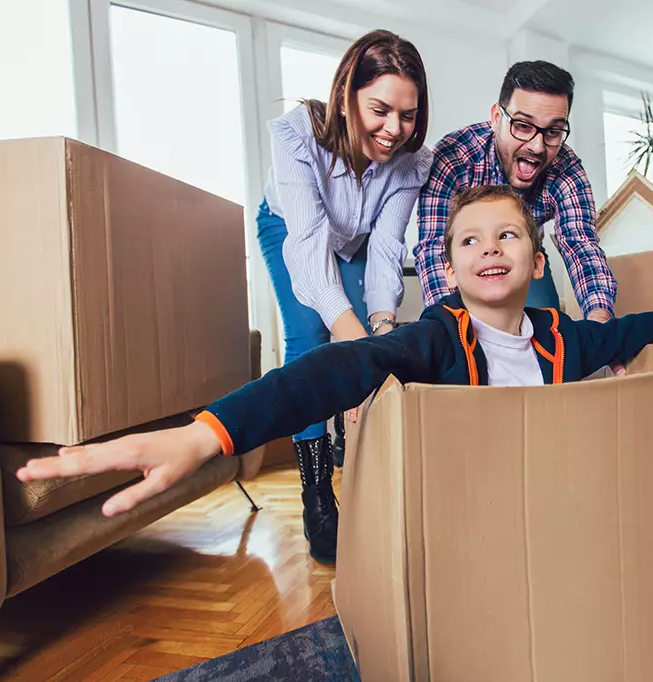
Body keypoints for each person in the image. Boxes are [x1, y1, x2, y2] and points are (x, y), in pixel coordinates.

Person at [16, 185, 653, 530]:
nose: (490, 249)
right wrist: (208, 433)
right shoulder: (433, 339)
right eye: (469, 240)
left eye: (508, 234)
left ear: (537, 264)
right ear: (449, 269)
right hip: (467, 509)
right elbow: (336, 370)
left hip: (558, 498)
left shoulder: (565, 339)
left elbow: (646, 324)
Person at [253, 29, 433, 563]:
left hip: (356, 241)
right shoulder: (296, 137)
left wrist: (380, 327)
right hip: (290, 227)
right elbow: (309, 252)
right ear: (348, 93)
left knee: (368, 338)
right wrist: (350, 334)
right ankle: (315, 491)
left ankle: (354, 459)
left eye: (408, 115)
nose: (394, 129)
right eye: (380, 109)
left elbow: (385, 250)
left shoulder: (411, 162)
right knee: (312, 335)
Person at [414, 60, 616, 323]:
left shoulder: (566, 169)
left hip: (524, 247)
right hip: (466, 254)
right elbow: (434, 247)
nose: (536, 146)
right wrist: (449, 327)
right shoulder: (453, 157)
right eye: (522, 125)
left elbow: (581, 245)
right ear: (497, 118)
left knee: (544, 333)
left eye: (553, 131)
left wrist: (600, 319)